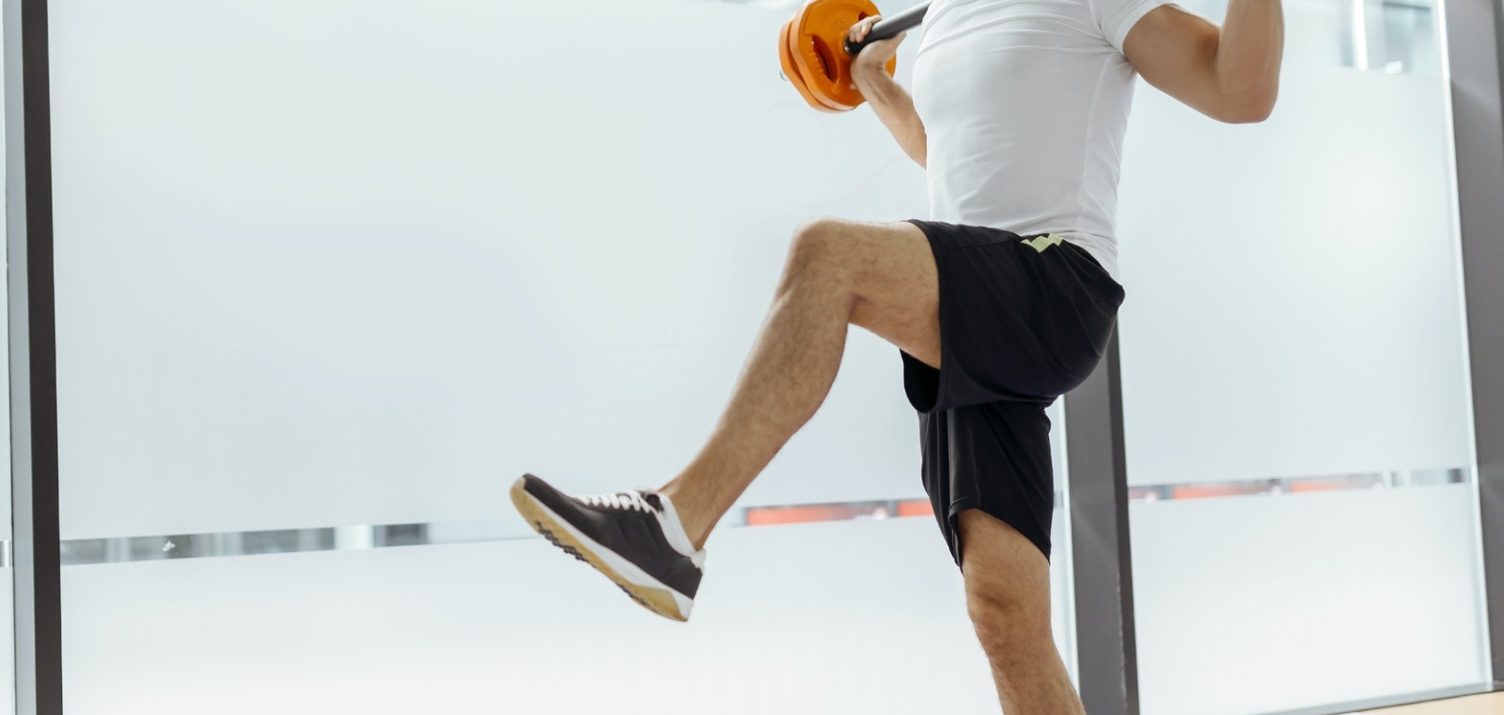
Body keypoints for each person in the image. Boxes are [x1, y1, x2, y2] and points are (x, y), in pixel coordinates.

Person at [510, 0, 1282, 711]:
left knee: (828, 256)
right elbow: (957, 162)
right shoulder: (945, 13)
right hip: (975, 305)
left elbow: (1239, 90)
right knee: (1004, 612)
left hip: (1053, 283)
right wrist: (875, 83)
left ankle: (673, 525)